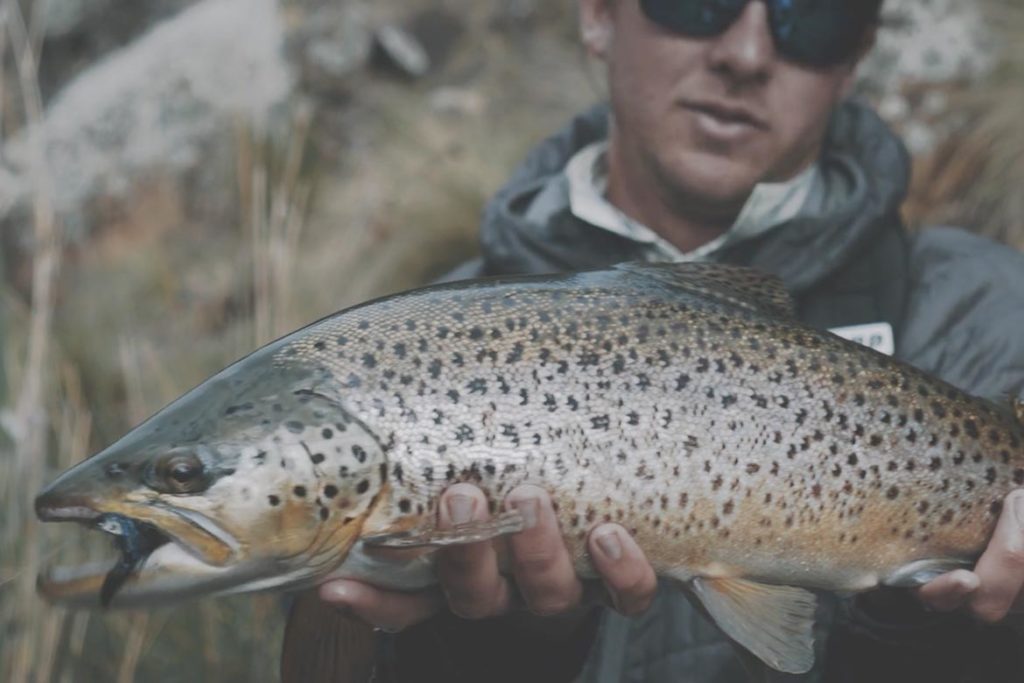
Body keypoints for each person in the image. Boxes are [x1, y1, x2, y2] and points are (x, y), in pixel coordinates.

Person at [287, 1, 1024, 680]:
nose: (746, 51)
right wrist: (494, 647)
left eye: (813, 15)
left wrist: (934, 633)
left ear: (855, 57)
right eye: (698, 0)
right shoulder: (410, 351)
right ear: (600, 15)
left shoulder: (989, 310)